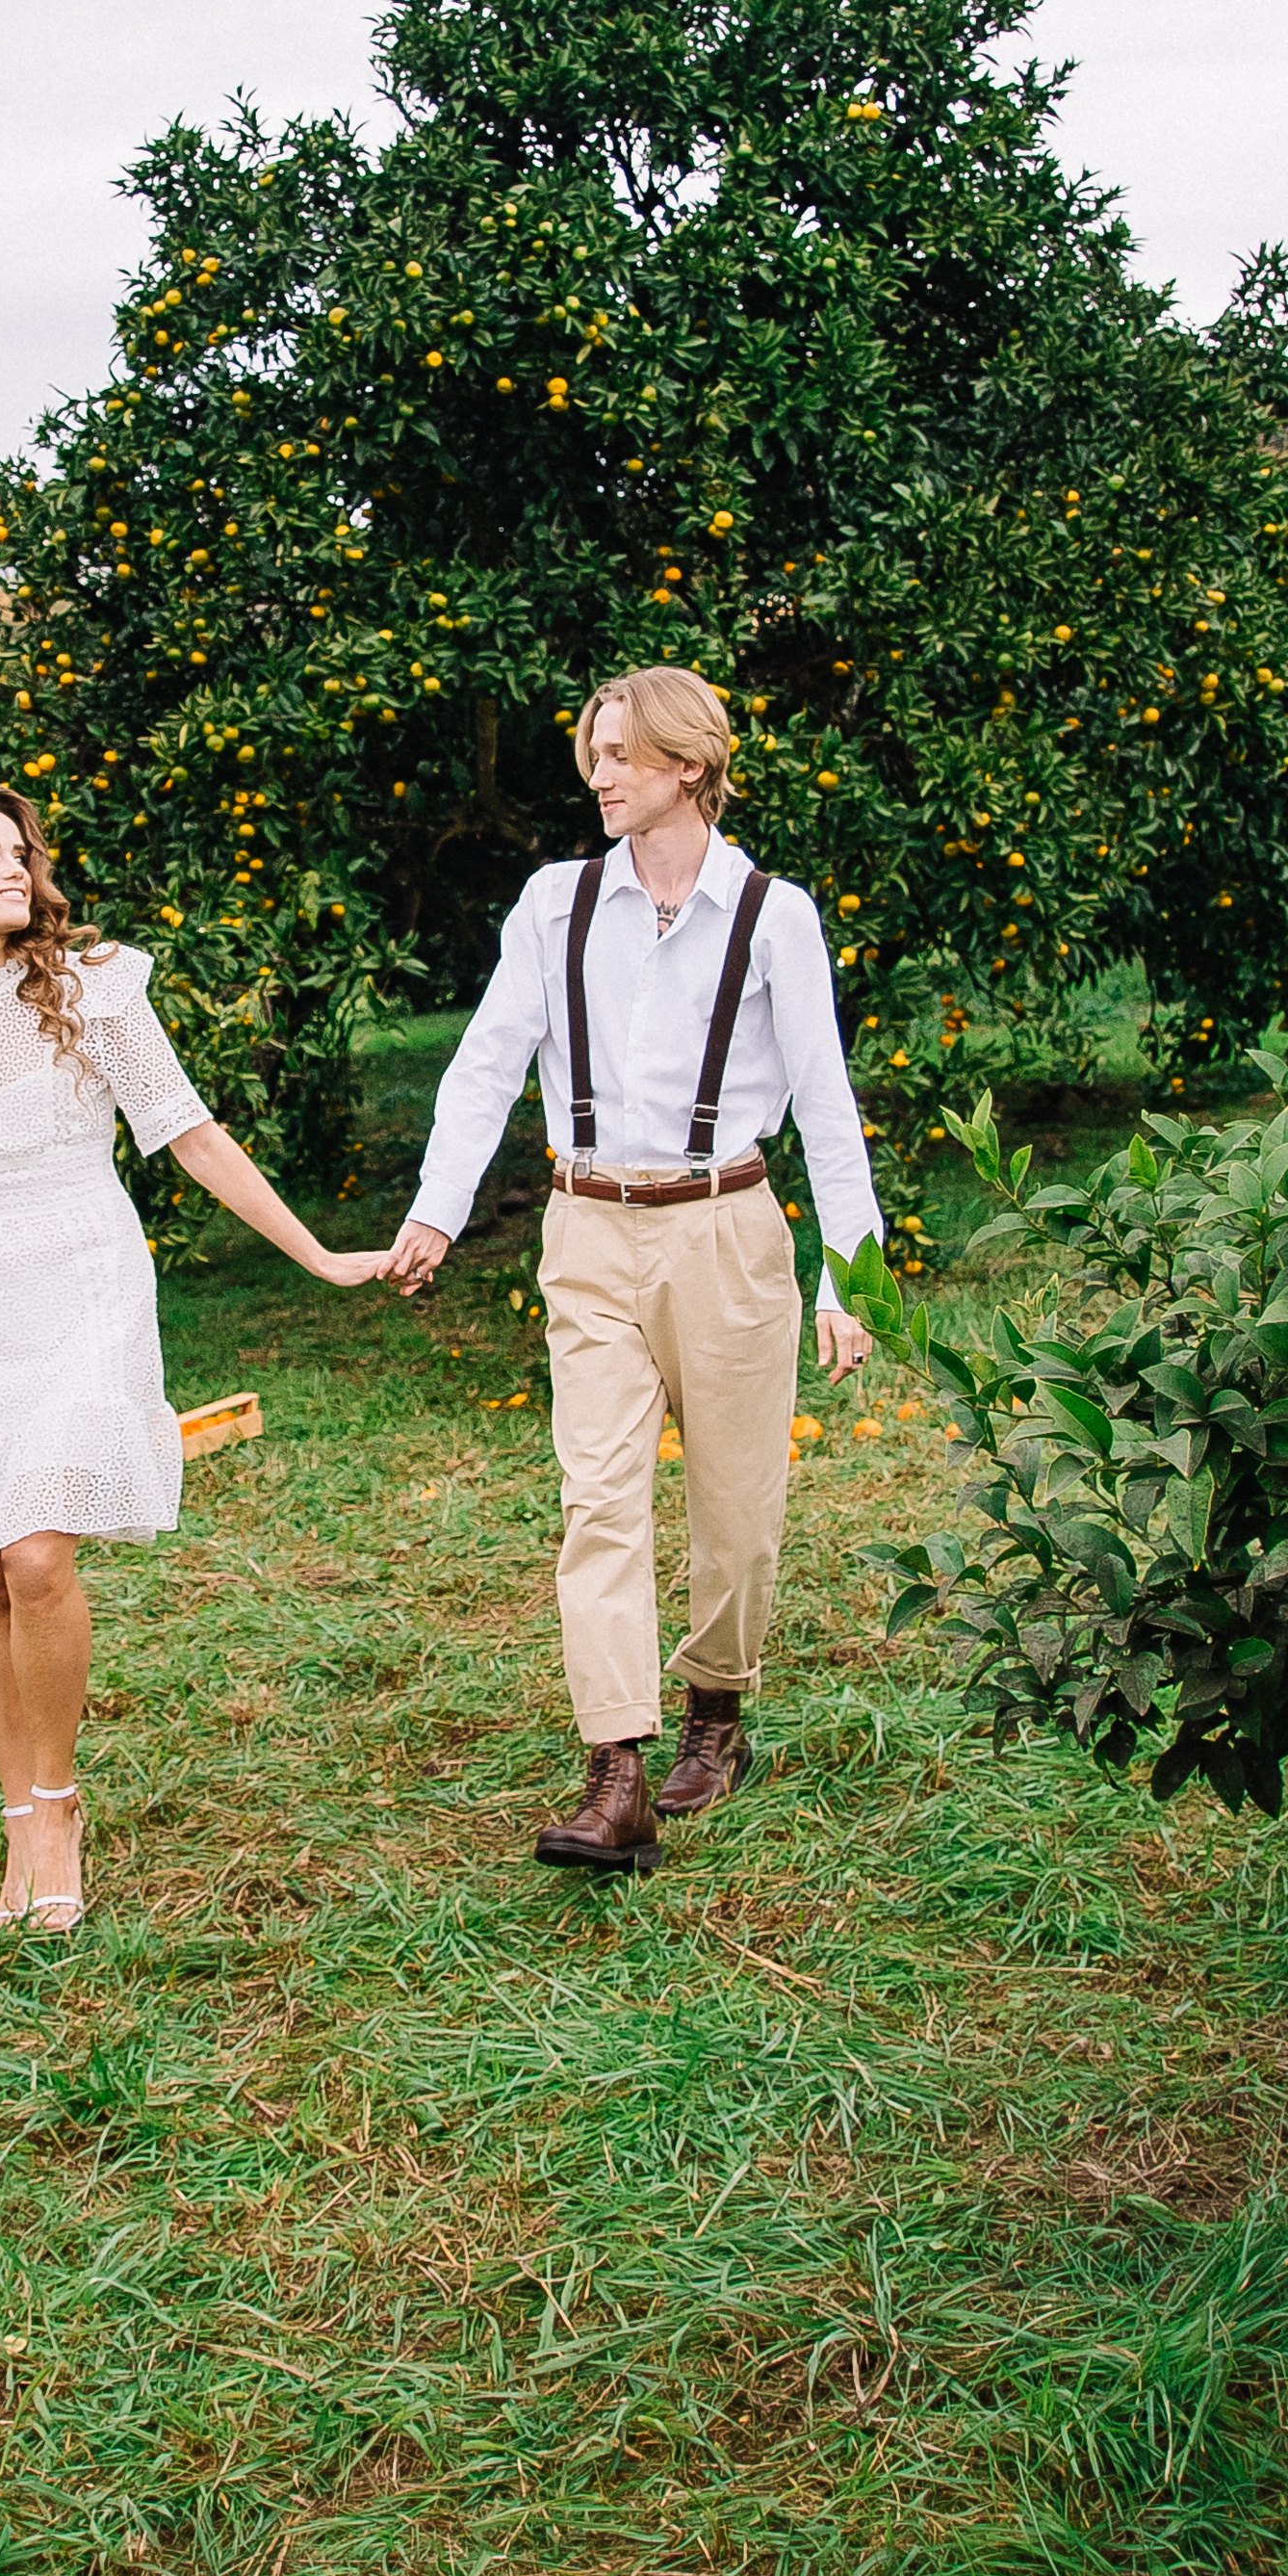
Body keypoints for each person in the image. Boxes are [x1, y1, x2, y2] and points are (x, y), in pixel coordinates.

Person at [0, 786, 389, 1934]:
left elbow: (191, 1133)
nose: (16, 871)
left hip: (85, 1274)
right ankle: (17, 1811)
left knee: (33, 1553)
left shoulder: (94, 987)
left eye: (20, 853)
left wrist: (316, 1255)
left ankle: (57, 1806)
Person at [383, 667, 880, 1875]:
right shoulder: (555, 904)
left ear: (689, 767)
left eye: (619, 756)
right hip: (588, 1229)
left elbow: (825, 1100)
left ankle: (718, 1711)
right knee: (595, 1502)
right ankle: (617, 1770)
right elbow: (484, 1062)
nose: (597, 776)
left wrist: (849, 1281)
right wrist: (437, 1213)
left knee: (737, 1515)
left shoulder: (774, 913)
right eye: (592, 755)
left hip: (729, 1230)